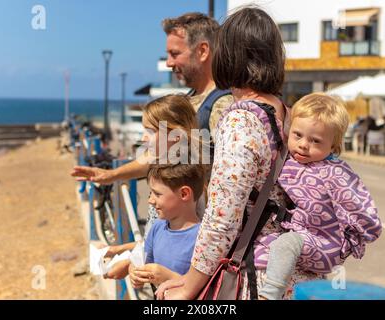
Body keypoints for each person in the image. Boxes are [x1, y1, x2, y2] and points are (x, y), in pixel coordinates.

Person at [156, 6, 321, 300]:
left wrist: (190, 284)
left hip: (254, 274)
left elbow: (223, 217)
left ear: (227, 56)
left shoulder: (241, 120)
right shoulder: (289, 115)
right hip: (287, 273)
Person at [70, 12, 233, 186]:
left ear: (202, 51)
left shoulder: (222, 105)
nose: (169, 63)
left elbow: (232, 175)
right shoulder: (191, 99)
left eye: (175, 54)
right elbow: (156, 156)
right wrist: (110, 175)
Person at [257, 93, 382, 300]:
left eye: (315, 141)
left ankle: (268, 295)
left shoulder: (335, 172)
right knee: (269, 246)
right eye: (298, 135)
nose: (304, 144)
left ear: (333, 146)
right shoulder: (288, 159)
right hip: (305, 235)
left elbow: (361, 207)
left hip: (326, 242)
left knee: (285, 244)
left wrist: (353, 238)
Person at [97, 94, 200, 280]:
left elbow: (178, 245)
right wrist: (121, 251)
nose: (143, 137)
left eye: (151, 131)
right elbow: (158, 238)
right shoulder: (166, 171)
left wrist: (131, 262)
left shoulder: (187, 184)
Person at [128, 163, 205, 289]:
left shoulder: (202, 239)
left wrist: (168, 276)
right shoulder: (158, 227)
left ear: (184, 194)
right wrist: (134, 271)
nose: (150, 200)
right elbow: (140, 260)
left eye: (157, 194)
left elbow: (204, 288)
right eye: (150, 193)